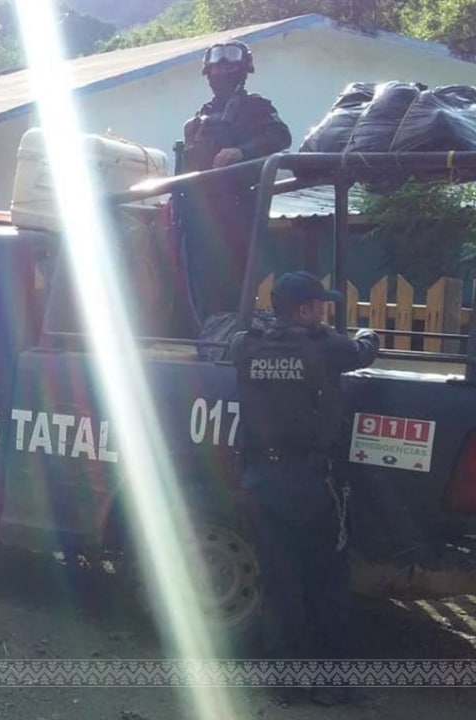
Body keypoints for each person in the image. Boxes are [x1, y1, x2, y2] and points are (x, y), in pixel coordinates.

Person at [227, 271, 378, 706]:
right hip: (310, 484)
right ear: (304, 310)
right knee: (325, 582)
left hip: (260, 480)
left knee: (279, 582)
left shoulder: (247, 345)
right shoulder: (326, 347)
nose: (325, 311)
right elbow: (364, 351)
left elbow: (232, 340)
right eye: (320, 305)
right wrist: (366, 331)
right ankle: (333, 684)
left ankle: (287, 683)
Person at [181, 40, 292, 320]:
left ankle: (233, 332)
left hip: (239, 206)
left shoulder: (257, 108)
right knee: (201, 280)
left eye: (229, 67)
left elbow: (281, 136)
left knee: (236, 278)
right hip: (201, 214)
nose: (221, 74)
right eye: (216, 69)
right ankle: (209, 333)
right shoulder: (196, 121)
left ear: (243, 71)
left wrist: (243, 152)